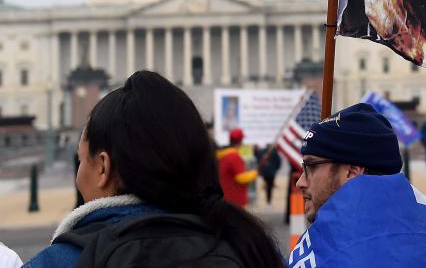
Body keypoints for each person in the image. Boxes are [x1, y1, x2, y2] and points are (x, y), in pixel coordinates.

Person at [26, 71, 283, 267]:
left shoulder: (65, 259)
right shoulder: (255, 249)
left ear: (103, 166)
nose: (79, 172)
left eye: (81, 159)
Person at [289, 103, 426, 267]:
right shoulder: (422, 229)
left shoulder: (351, 254)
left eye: (310, 166)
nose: (300, 182)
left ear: (352, 172)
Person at [217, 128, 257, 209]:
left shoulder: (222, 155)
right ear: (240, 141)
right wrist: (254, 173)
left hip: (225, 197)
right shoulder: (234, 156)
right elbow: (241, 178)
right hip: (235, 200)